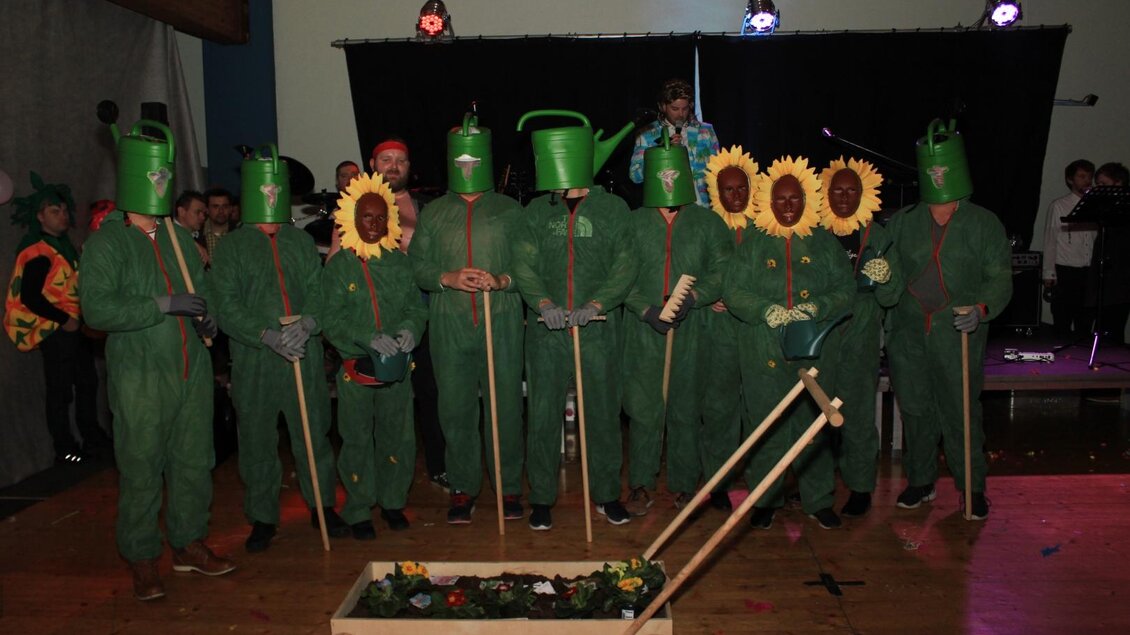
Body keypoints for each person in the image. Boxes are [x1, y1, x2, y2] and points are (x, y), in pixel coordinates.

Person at [80, 141, 232, 600]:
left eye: (166, 178)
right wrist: (160, 306)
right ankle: (143, 557)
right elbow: (97, 310)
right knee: (142, 467)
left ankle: (188, 544)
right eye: (155, 178)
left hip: (192, 372)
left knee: (193, 463)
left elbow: (203, 290)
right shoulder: (107, 243)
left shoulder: (178, 238)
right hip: (140, 378)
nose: (161, 187)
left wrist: (210, 317)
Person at [210, 153, 350, 553]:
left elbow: (319, 291)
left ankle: (323, 505)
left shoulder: (299, 240)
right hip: (256, 357)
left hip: (302, 354)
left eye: (276, 187)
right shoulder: (234, 246)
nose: (271, 193)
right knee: (256, 439)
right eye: (265, 187)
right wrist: (265, 334)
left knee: (314, 435)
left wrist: (308, 324)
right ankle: (263, 516)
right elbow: (225, 303)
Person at [511, 110, 639, 530]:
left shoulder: (613, 208)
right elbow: (523, 262)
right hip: (548, 333)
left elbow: (626, 262)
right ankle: (542, 498)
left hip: (598, 331)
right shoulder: (534, 211)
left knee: (603, 413)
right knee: (543, 414)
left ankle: (606, 495)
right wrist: (542, 302)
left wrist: (599, 303)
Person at [880, 124, 1012, 520]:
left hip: (957, 334)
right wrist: (880, 279)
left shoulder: (984, 223)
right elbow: (889, 274)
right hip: (908, 333)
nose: (938, 177)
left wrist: (982, 309)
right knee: (916, 410)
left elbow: (1000, 276)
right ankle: (920, 481)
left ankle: (972, 487)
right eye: (931, 171)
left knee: (960, 411)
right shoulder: (903, 222)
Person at [724, 156, 854, 530]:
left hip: (815, 347)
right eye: (779, 200)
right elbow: (733, 290)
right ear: (769, 202)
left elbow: (846, 290)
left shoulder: (823, 243)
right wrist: (764, 309)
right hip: (762, 348)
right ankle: (765, 498)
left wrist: (819, 306)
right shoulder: (753, 244)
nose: (787, 206)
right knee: (764, 426)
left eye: (794, 199)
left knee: (813, 426)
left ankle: (818, 499)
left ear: (805, 200)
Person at [409, 119, 525, 525]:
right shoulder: (436, 212)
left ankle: (508, 486)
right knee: (455, 407)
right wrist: (448, 278)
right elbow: (418, 266)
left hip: (503, 319)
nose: (469, 166)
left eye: (476, 158)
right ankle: (463, 487)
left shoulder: (510, 210)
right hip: (450, 321)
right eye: (462, 158)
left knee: (506, 405)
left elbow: (528, 265)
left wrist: (503, 280)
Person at [622, 133, 732, 515]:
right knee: (644, 408)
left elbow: (723, 269)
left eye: (675, 175)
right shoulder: (632, 224)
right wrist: (643, 309)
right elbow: (620, 276)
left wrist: (696, 297)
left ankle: (685, 484)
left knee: (686, 406)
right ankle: (640, 483)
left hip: (693, 330)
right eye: (662, 176)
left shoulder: (707, 223)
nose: (669, 183)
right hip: (643, 332)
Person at [322, 172, 427, 540]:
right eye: (367, 217)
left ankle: (394, 501)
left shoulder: (400, 264)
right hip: (355, 372)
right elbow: (330, 318)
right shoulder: (339, 268)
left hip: (397, 368)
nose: (375, 224)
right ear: (352, 219)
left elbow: (416, 306)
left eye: (381, 217)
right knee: (356, 439)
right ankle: (358, 507)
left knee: (398, 437)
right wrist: (366, 338)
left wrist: (411, 329)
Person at [4, 172, 109, 463]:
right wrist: (64, 319)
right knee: (61, 391)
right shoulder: (37, 251)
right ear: (40, 217)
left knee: (87, 383)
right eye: (54, 211)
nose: (62, 216)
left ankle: (91, 437)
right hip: (56, 332)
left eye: (64, 210)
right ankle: (65, 447)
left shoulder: (64, 248)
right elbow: (31, 297)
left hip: (76, 330)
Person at [362, 138, 447, 491]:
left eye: (401, 160)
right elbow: (335, 263)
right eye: (386, 159)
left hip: (424, 314)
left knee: (433, 392)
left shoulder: (428, 208)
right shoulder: (352, 206)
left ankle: (440, 465)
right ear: (373, 163)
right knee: (377, 401)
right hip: (375, 318)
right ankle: (377, 478)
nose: (394, 166)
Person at [818, 157, 896, 518]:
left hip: (862, 332)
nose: (844, 197)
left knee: (859, 412)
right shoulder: (813, 230)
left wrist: (886, 277)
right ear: (825, 192)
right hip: (821, 330)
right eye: (837, 190)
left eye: (852, 190)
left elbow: (892, 295)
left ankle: (861, 486)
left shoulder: (878, 235)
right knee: (815, 410)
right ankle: (813, 485)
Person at [698, 146, 760, 511]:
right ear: (715, 193)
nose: (735, 196)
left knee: (757, 407)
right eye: (727, 190)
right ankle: (718, 482)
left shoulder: (764, 226)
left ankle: (761, 482)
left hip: (754, 329)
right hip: (718, 327)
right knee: (719, 408)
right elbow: (695, 270)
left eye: (741, 189)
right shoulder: (707, 226)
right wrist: (711, 296)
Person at [629, 78, 721, 207]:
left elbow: (719, 171)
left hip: (703, 206)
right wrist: (661, 152)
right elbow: (635, 175)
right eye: (675, 109)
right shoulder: (647, 134)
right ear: (662, 106)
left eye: (685, 108)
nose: (680, 114)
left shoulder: (705, 131)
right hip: (666, 206)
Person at [1041, 159, 1095, 339]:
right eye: (1081, 176)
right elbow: (1050, 240)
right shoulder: (1059, 206)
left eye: (1089, 176)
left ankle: (1082, 356)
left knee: (1085, 319)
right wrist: (1049, 273)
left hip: (1088, 269)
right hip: (1066, 269)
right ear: (1070, 180)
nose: (1087, 180)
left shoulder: (1095, 205)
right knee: (1062, 318)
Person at [1091, 162, 1130, 345]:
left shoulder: (1124, 206)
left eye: (1103, 184)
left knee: (1115, 319)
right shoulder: (1105, 206)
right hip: (1106, 270)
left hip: (1121, 271)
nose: (1098, 188)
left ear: (1118, 183)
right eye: (1097, 184)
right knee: (1102, 319)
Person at [173, 190, 209, 265]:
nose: (202, 217)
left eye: (204, 213)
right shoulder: (165, 232)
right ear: (181, 211)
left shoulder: (201, 235)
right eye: (198, 212)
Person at [202, 187, 234, 262]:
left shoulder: (239, 231)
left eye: (225, 206)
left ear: (231, 209)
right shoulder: (197, 234)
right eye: (215, 206)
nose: (221, 211)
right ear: (206, 209)